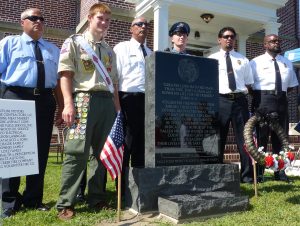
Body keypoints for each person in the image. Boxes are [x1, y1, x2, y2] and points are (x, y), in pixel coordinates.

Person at [55, 3, 120, 220]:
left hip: (106, 103)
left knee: (103, 154)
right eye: (100, 18)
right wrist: (67, 103)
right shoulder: (74, 42)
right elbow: (65, 74)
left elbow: (115, 84)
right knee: (76, 152)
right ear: (90, 18)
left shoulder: (110, 50)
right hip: (83, 100)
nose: (104, 23)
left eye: (107, 20)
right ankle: (66, 202)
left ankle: (97, 197)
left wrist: (117, 109)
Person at [0, 8, 60, 218]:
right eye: (33, 18)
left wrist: (62, 106)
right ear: (22, 22)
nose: (39, 22)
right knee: (14, 151)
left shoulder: (53, 50)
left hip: (44, 99)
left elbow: (58, 83)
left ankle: (33, 198)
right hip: (16, 96)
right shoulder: (9, 43)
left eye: (42, 19)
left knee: (40, 151)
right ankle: (9, 202)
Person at [208, 27, 255, 183]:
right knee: (219, 137)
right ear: (219, 39)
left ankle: (247, 176)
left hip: (240, 102)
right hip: (220, 100)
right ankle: (217, 173)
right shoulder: (211, 59)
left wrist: (240, 96)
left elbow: (249, 84)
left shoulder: (243, 59)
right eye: (226, 36)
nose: (229, 39)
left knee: (244, 140)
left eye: (232, 37)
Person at [250, 34, 298, 182]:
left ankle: (280, 172)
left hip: (281, 100)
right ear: (265, 44)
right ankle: (259, 173)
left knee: (281, 136)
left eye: (278, 41)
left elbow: (291, 86)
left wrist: (278, 94)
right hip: (263, 100)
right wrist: (264, 96)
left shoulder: (287, 63)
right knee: (262, 137)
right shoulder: (255, 62)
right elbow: (249, 85)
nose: (276, 43)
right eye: (272, 41)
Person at [113, 17, 152, 193]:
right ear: (131, 28)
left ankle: (138, 185)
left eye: (146, 25)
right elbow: (115, 78)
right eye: (139, 24)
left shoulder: (150, 53)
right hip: (127, 98)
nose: (143, 27)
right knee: (126, 143)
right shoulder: (122, 48)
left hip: (147, 100)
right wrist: (117, 104)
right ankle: (121, 187)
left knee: (142, 144)